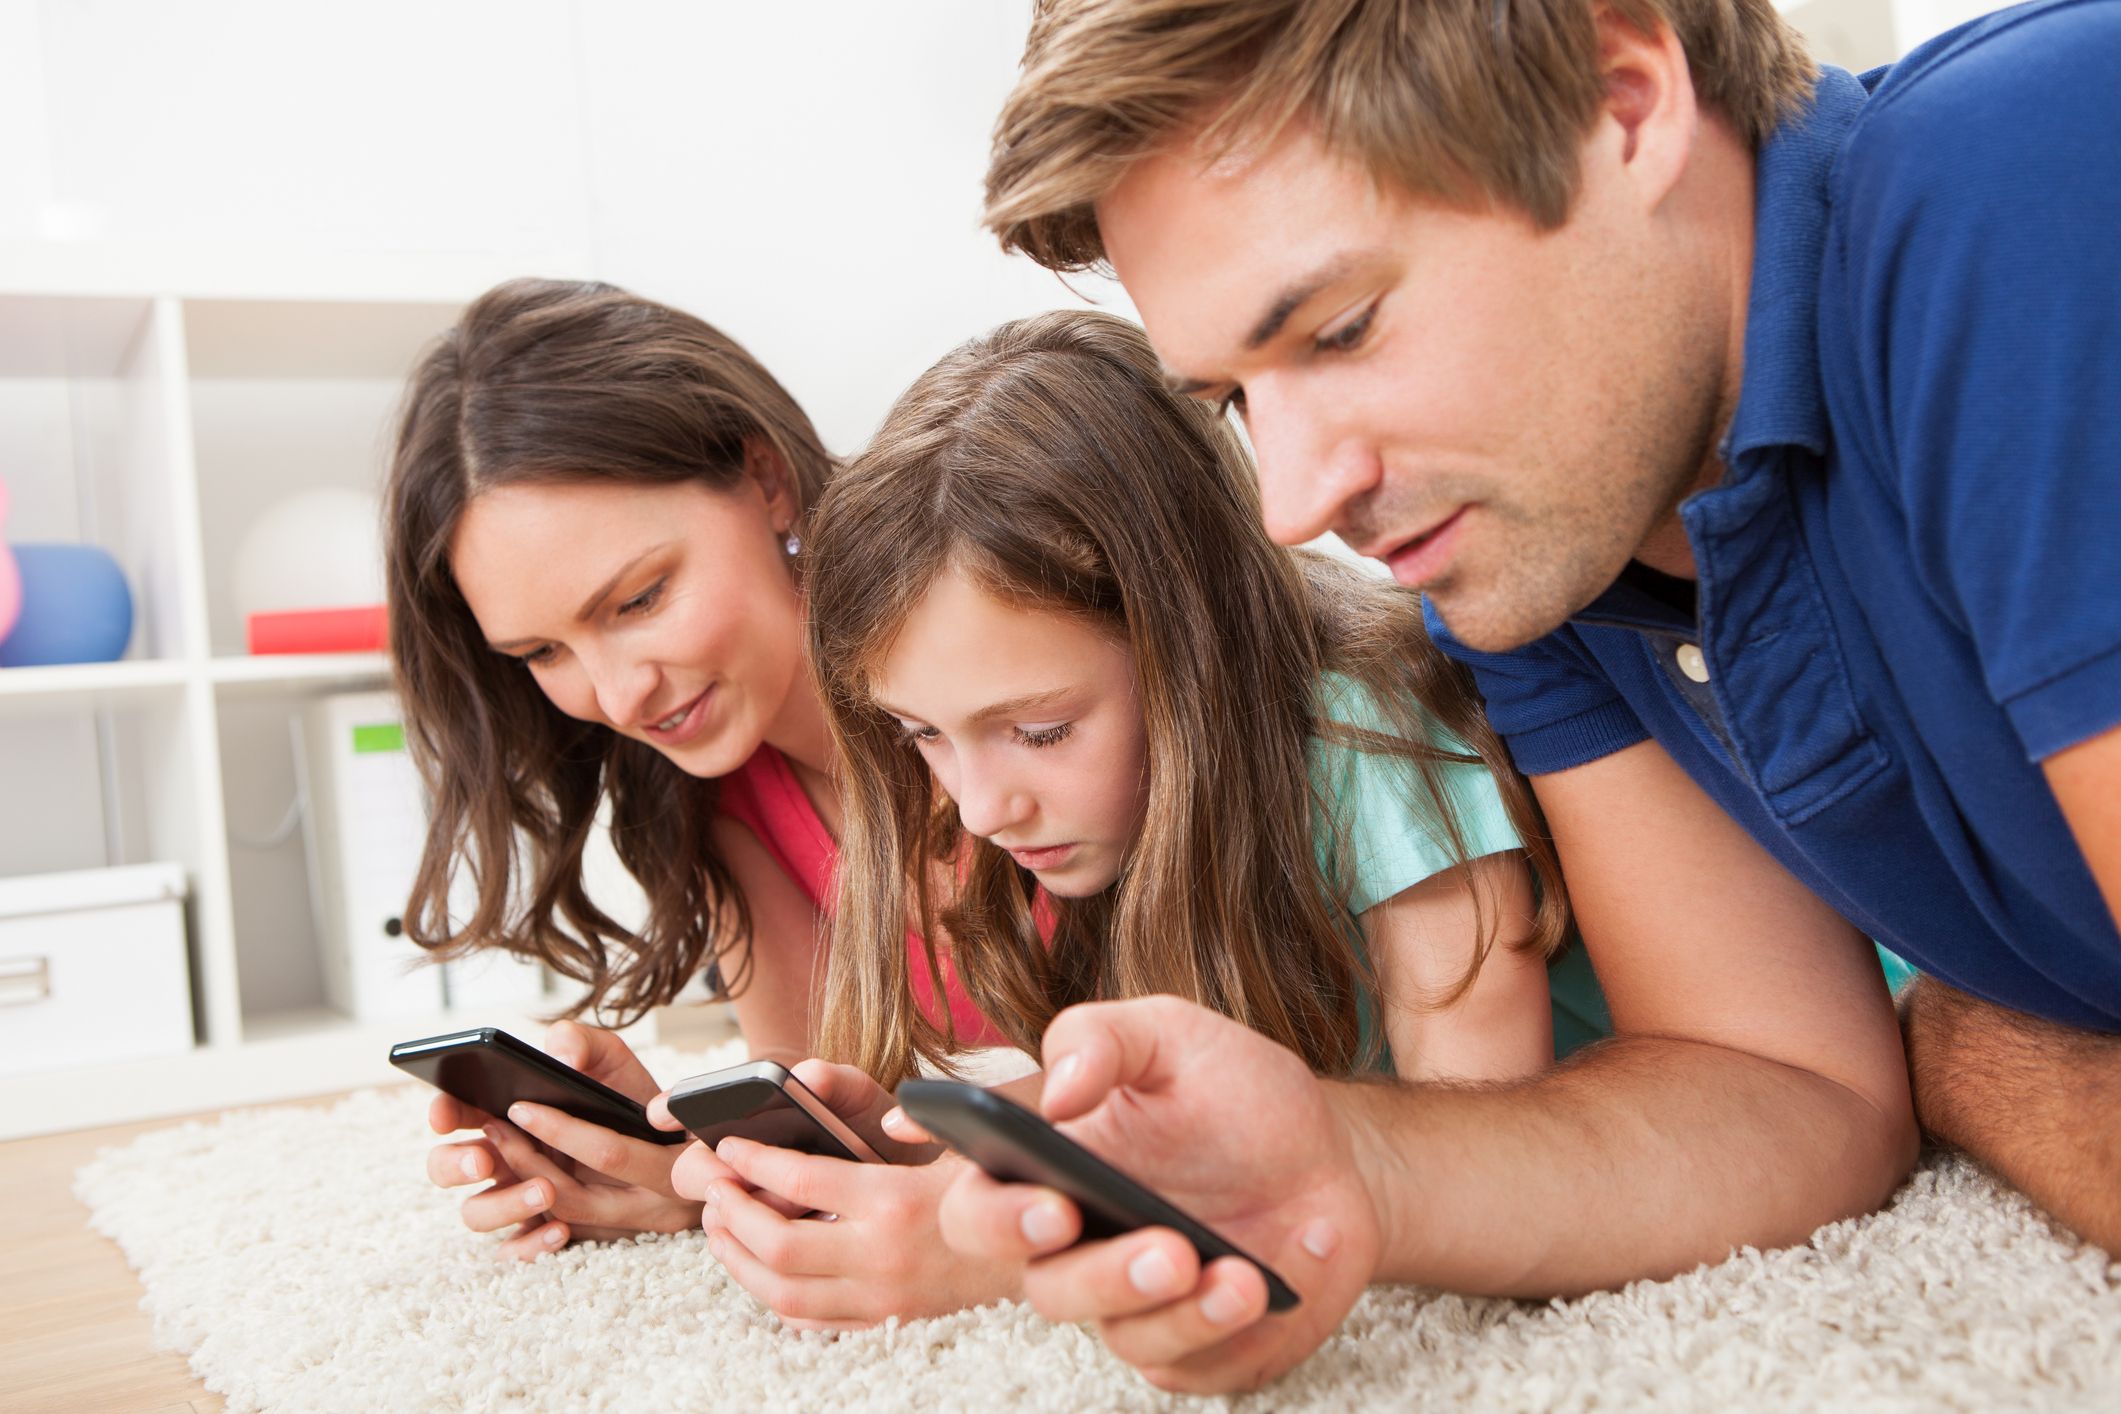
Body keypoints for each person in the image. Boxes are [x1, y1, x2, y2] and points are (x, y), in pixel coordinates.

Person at [932, 0, 2121, 1393]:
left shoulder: (2022, 176)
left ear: (1623, 104)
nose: (1297, 500)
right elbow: (1791, 1089)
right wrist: (1342, 1158)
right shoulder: (1542, 540)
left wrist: (1974, 1056)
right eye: (1238, 399)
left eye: (1342, 327)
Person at [669, 308, 1607, 1329]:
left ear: (1187, 643)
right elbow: (1172, 1112)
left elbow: (1465, 1159)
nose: (981, 808)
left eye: (1038, 729)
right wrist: (936, 1154)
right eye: (919, 733)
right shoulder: (1112, 813)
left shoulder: (1376, 733)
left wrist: (1010, 1251)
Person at [382, 278, 1003, 1261]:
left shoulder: (1009, 672)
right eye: (543, 652)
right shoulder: (726, 791)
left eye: (639, 598)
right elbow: (835, 1106)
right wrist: (678, 1161)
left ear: (767, 481)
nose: (619, 697)